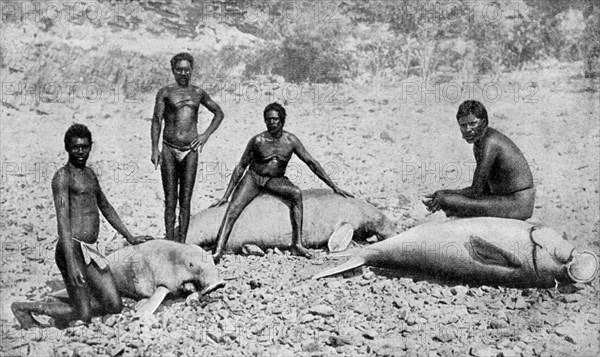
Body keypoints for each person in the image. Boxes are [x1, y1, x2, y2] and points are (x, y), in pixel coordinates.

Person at [11, 124, 152, 329]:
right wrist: (71, 263)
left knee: (114, 305)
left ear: (90, 147)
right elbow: (63, 223)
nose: (80, 152)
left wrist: (130, 236)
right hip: (71, 248)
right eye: (75, 147)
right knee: (83, 315)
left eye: (84, 147)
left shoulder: (90, 174)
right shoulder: (62, 177)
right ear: (67, 147)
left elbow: (105, 206)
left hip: (89, 251)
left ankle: (70, 302)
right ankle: (24, 308)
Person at [211, 103, 353, 263]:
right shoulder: (258, 140)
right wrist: (226, 195)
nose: (271, 122)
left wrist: (333, 186)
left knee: (296, 194)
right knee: (233, 209)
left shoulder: (291, 140)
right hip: (254, 178)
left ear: (282, 120)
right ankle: (218, 251)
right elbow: (241, 167)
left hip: (274, 180)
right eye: (268, 119)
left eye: (275, 119)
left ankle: (297, 244)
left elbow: (311, 163)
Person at [151, 52, 224, 242]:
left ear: (192, 70)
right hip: (169, 148)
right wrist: (154, 149)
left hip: (190, 151)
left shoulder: (198, 93)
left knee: (186, 199)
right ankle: (169, 241)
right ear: (173, 71)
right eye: (179, 69)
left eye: (186, 69)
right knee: (170, 199)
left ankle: (182, 242)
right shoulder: (165, 92)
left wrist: (205, 135)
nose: (183, 73)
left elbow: (218, 113)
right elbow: (157, 120)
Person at [424, 100, 535, 220]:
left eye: (473, 123)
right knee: (449, 201)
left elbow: (476, 190)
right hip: (507, 200)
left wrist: (444, 194)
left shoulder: (490, 142)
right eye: (463, 125)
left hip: (518, 204)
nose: (468, 129)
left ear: (484, 122)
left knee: (447, 201)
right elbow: (483, 189)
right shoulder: (480, 142)